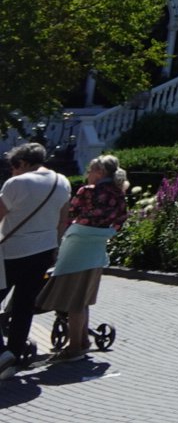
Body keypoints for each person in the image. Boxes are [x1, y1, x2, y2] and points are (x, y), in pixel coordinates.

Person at [34, 154, 129, 364]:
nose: (87, 175)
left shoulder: (88, 191)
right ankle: (83, 340)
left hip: (77, 247)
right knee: (83, 298)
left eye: (90, 171)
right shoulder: (119, 193)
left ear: (100, 173)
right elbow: (122, 218)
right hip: (96, 248)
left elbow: (68, 215)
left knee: (73, 301)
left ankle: (74, 347)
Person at [0, 143, 72, 379]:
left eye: (14, 167)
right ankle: (15, 353)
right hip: (44, 250)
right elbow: (62, 220)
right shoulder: (62, 181)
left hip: (11, 252)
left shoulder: (16, 184)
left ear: (22, 163)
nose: (12, 172)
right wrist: (56, 246)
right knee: (24, 305)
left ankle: (3, 354)